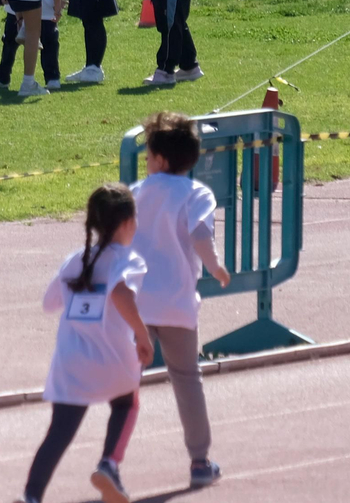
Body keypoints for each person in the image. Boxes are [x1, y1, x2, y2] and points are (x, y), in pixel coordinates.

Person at [16, 183, 153, 503]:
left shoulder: (74, 262)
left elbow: (49, 303)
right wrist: (142, 335)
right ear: (128, 223)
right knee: (126, 403)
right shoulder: (129, 260)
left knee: (58, 434)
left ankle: (31, 496)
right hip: (114, 360)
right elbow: (121, 292)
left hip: (71, 363)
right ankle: (109, 463)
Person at [129, 112, 232, 491]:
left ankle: (111, 457)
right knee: (187, 378)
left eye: (148, 152)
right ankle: (200, 461)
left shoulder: (136, 193)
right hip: (177, 303)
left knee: (128, 380)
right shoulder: (196, 194)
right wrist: (217, 268)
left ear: (159, 159)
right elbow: (201, 236)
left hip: (138, 305)